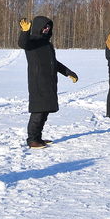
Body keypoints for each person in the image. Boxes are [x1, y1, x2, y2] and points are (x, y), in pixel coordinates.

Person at [18, 16, 79, 149]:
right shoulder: (32, 41)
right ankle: (32, 140)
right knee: (38, 111)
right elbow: (23, 44)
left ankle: (38, 137)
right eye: (44, 26)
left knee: (44, 111)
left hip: (49, 82)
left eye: (48, 27)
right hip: (38, 82)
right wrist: (25, 32)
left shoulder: (46, 44)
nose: (46, 29)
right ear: (38, 27)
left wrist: (68, 72)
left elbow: (54, 63)